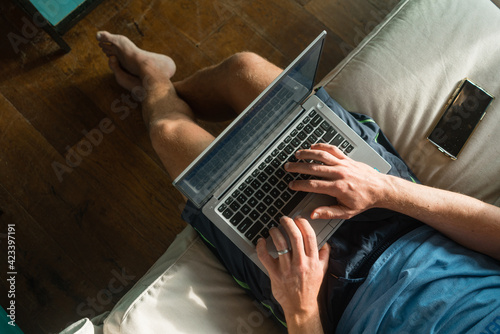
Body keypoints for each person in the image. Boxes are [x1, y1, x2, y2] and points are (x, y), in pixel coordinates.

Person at [96, 31, 500, 333]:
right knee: (244, 70)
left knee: (168, 134)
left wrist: (301, 306)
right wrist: (385, 188)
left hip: (325, 289)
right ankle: (164, 87)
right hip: (402, 216)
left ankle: (154, 82)